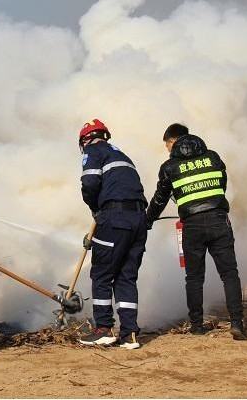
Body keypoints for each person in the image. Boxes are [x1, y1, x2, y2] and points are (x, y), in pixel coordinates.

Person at [146, 123, 247, 340]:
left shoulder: (169, 166)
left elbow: (160, 199)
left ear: (173, 141)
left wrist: (148, 219)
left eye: (167, 145)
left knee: (194, 278)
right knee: (229, 274)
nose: (168, 150)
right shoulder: (212, 157)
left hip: (191, 225)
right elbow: (222, 184)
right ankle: (237, 323)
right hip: (219, 220)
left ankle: (197, 325)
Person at [77, 119, 147, 350]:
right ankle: (130, 334)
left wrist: (96, 210)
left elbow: (89, 184)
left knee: (102, 274)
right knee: (126, 276)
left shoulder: (93, 150)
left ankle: (104, 329)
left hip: (115, 218)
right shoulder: (122, 155)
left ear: (86, 139)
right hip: (138, 219)